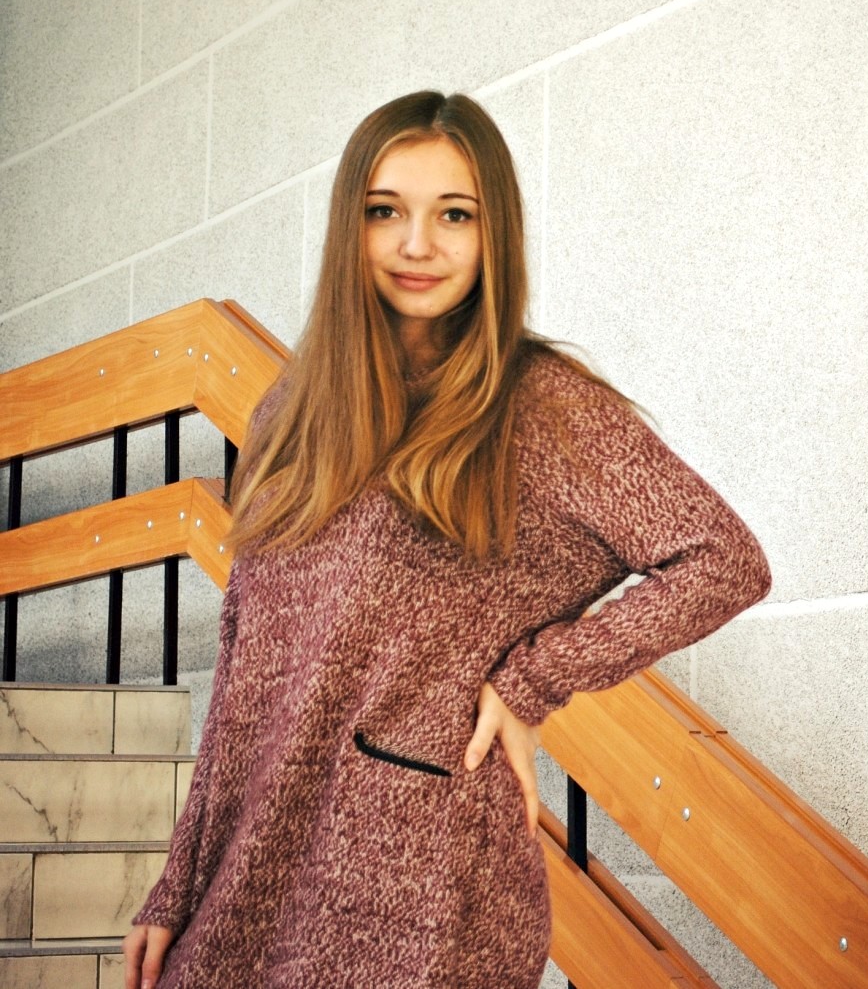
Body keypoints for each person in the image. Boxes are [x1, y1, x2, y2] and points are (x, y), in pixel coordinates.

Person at [120, 90, 772, 988]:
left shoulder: (540, 404)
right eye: (384, 211)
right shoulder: (288, 412)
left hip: (419, 879)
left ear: (492, 231)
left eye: (454, 215)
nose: (417, 243)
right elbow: (241, 669)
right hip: (253, 868)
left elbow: (722, 559)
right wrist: (176, 885)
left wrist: (534, 678)